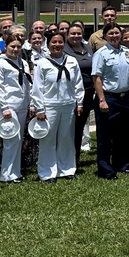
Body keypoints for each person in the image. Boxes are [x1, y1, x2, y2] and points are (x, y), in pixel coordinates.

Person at [31, 32, 84, 181]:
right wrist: (40, 108)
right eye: (54, 42)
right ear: (48, 45)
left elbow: (78, 83)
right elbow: (37, 88)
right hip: (50, 105)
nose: (57, 45)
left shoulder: (72, 61)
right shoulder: (42, 63)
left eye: (60, 42)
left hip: (68, 104)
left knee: (66, 137)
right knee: (48, 139)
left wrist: (79, 102)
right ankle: (47, 172)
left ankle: (66, 170)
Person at [91, 23, 129, 179]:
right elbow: (96, 77)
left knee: (124, 134)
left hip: (125, 97)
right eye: (111, 33)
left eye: (117, 33)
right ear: (105, 36)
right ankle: (105, 169)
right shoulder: (101, 53)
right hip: (109, 98)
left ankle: (122, 165)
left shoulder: (126, 51)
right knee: (105, 136)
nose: (114, 36)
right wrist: (102, 100)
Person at [0, 38, 34, 183]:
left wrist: (30, 103)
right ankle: (6, 174)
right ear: (5, 47)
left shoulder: (21, 62)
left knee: (18, 140)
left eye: (18, 47)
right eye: (12, 46)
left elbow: (27, 84)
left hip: (21, 105)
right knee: (11, 140)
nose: (15, 49)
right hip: (6, 106)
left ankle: (15, 172)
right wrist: (5, 107)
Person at [64, 24, 95, 158]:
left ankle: (75, 157)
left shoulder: (87, 47)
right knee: (72, 127)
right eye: (73, 33)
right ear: (67, 35)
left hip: (88, 91)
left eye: (79, 33)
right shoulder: (64, 49)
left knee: (81, 124)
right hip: (71, 93)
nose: (76, 36)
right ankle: (69, 157)